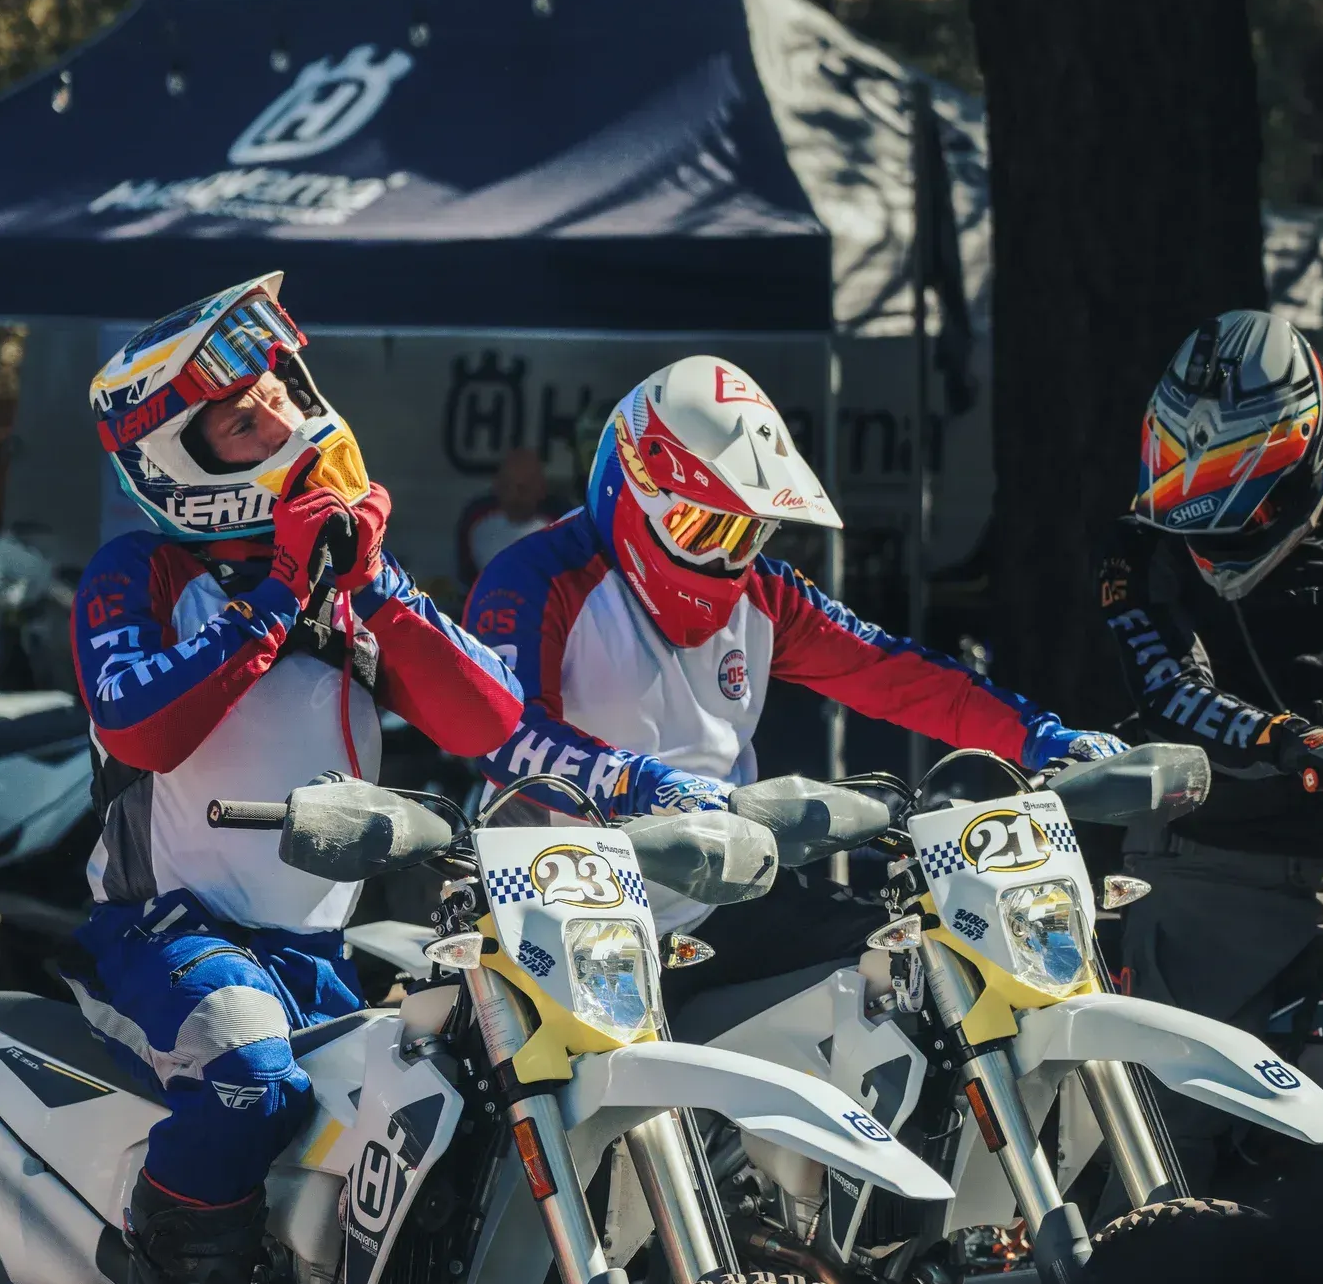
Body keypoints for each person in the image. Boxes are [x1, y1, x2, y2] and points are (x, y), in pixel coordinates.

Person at [67, 271, 523, 1284]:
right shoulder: (135, 569)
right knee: (250, 1083)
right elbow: (142, 724)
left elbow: (489, 723)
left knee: (448, 1105)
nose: (278, 412)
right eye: (240, 416)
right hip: (164, 932)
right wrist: (276, 596)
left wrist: (364, 587)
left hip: (315, 951)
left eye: (276, 388)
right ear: (179, 464)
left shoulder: (347, 577)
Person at [466, 355, 1122, 994]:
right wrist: (646, 786)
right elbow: (503, 735)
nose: (727, 555)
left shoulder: (765, 594)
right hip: (561, 909)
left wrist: (1039, 736)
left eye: (749, 533)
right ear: (634, 489)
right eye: (701, 526)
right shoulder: (534, 577)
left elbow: (892, 670)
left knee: (915, 972)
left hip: (719, 894)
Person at [1099, 308, 1323, 1147]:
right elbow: (1166, 687)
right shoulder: (1138, 548)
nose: (1207, 516)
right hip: (1202, 880)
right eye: (1188, 483)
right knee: (1179, 1149)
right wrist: (1287, 739)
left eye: (1234, 488)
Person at [454, 446, 565, 591]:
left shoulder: (561, 525)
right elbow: (466, 576)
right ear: (496, 486)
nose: (514, 497)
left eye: (523, 489)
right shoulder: (476, 521)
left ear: (541, 489)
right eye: (507, 487)